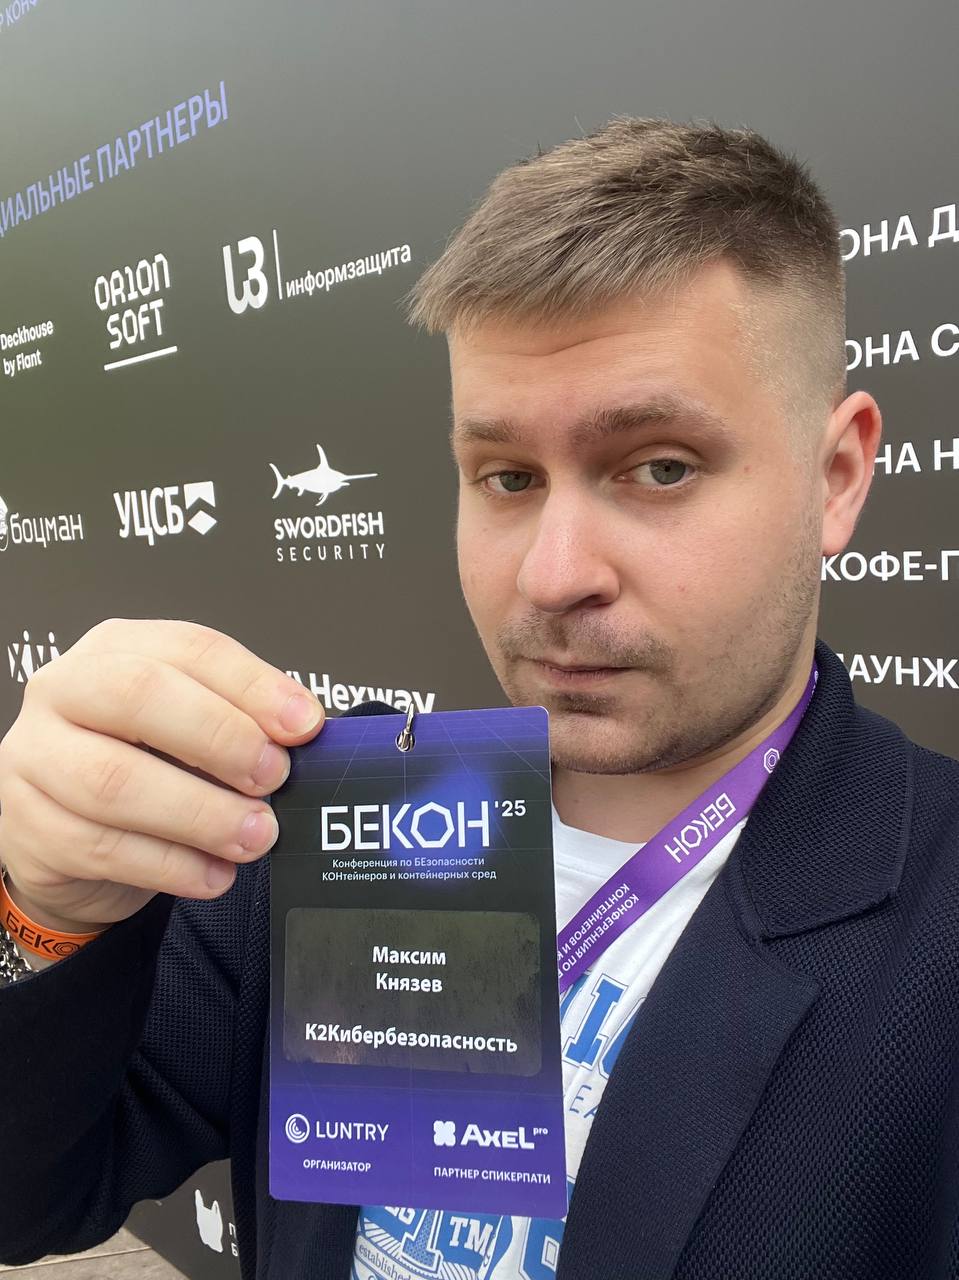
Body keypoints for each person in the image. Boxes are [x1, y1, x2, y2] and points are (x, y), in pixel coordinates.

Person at [0, 116, 956, 1280]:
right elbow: (25, 1197)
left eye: (658, 466)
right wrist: (43, 914)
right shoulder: (321, 827)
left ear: (835, 477)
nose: (553, 573)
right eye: (505, 476)